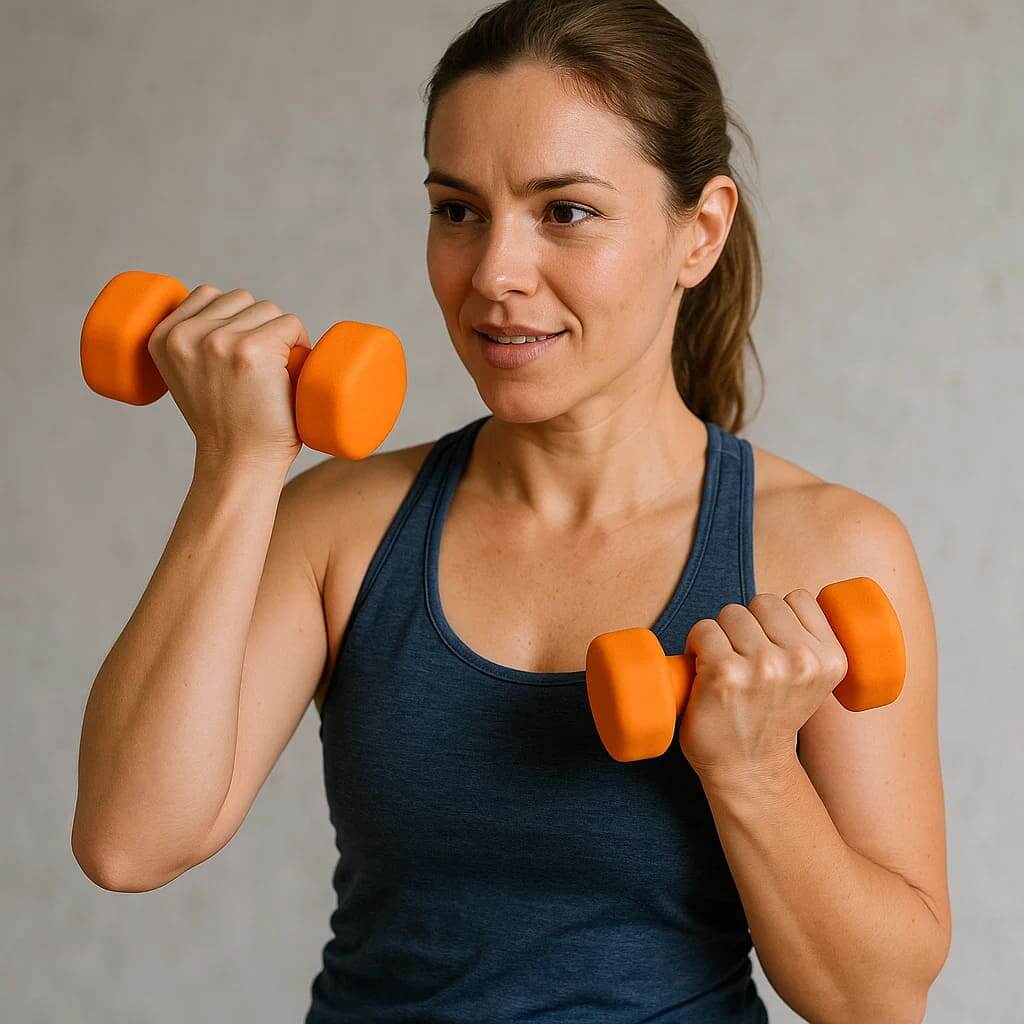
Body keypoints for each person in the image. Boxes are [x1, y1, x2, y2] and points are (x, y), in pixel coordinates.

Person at [72, 1, 951, 1021]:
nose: (492, 274)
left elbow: (876, 1001)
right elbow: (128, 842)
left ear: (697, 232)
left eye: (564, 211)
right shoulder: (342, 527)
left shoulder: (827, 551)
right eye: (457, 210)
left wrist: (752, 768)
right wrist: (235, 466)